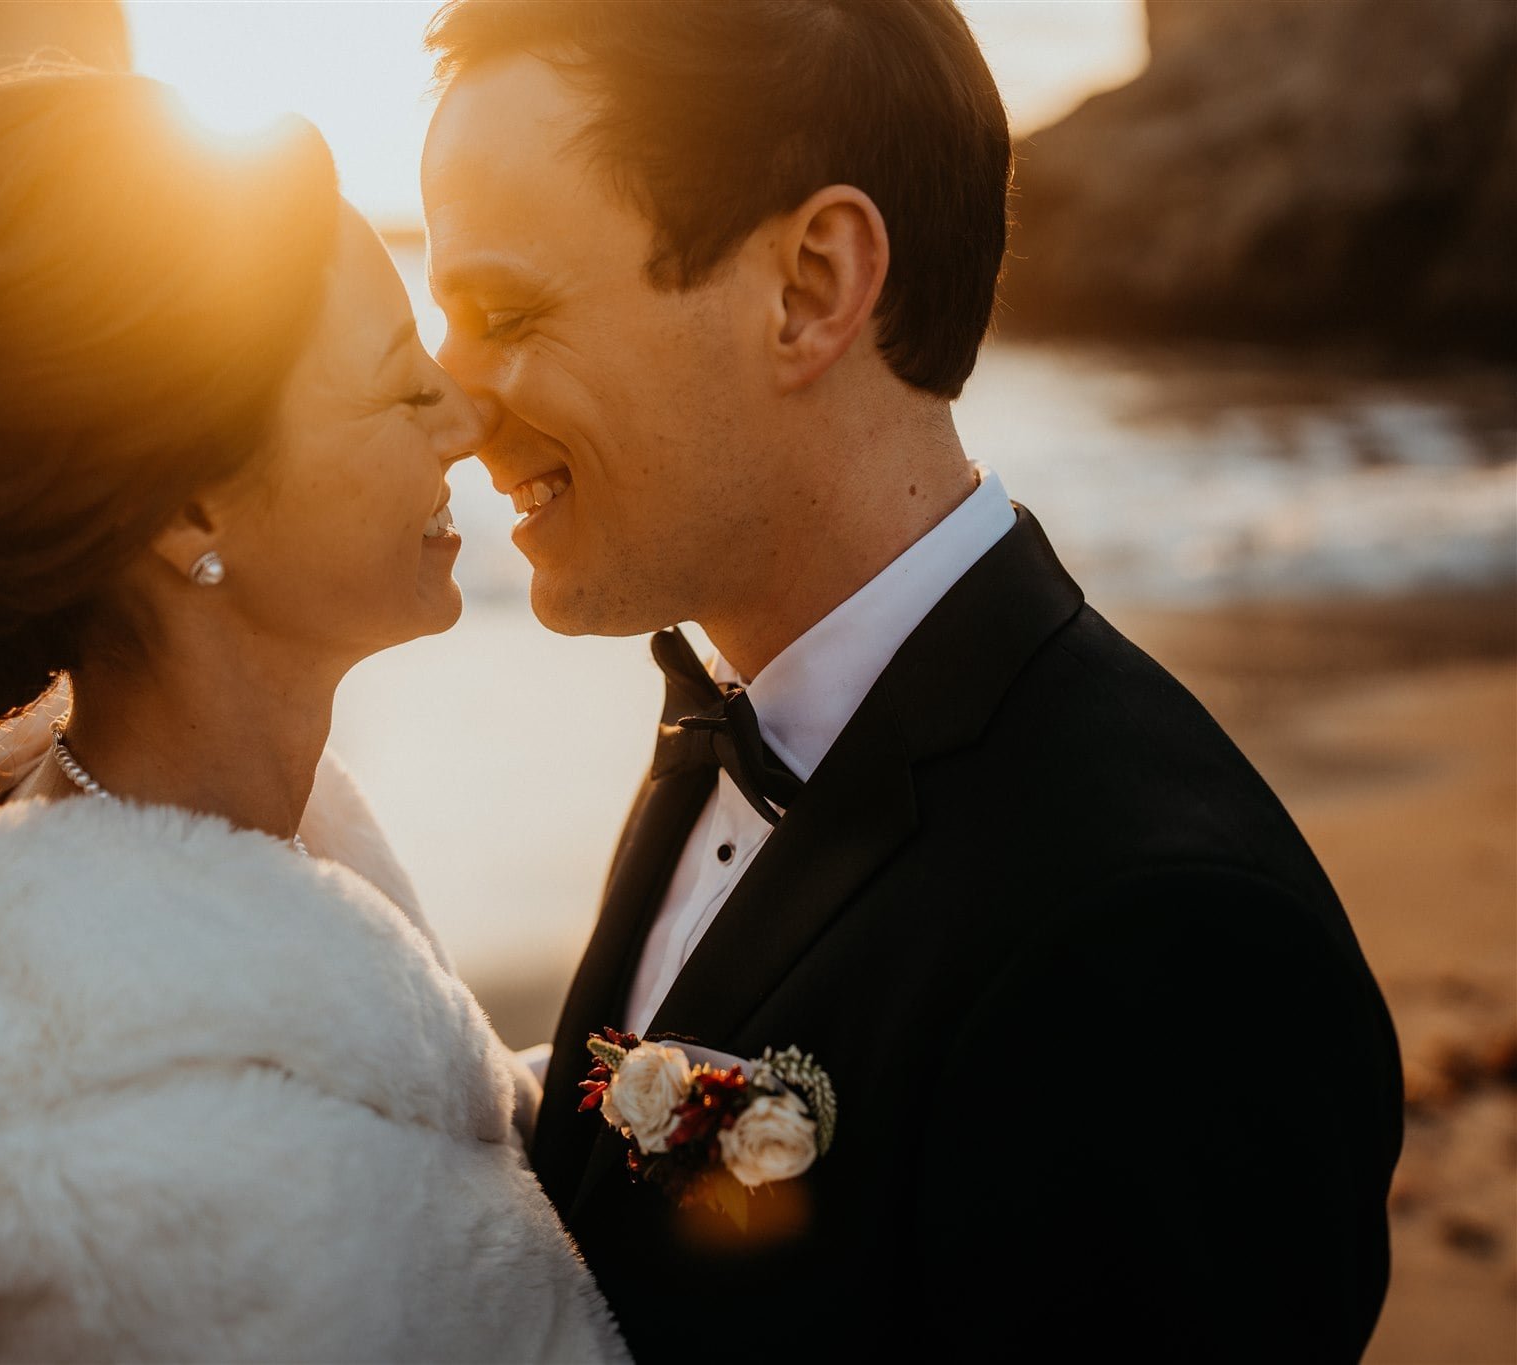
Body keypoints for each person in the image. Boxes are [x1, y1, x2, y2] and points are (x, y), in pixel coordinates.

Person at [419, 2, 1404, 1359]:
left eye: (506, 309)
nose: (452, 401)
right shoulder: (729, 721)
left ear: (812, 286)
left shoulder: (1159, 950)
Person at [0, 67, 625, 1364]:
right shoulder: (142, 1226)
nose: (469, 421)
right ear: (192, 514)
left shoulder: (224, 881)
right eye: (398, 384)